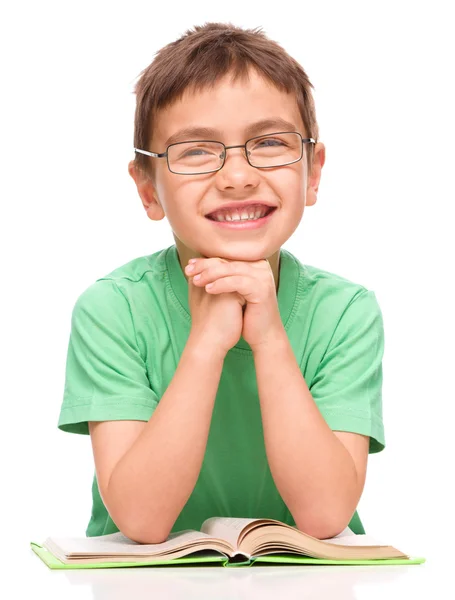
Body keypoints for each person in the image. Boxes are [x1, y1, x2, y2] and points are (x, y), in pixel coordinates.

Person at [58, 22, 385, 544]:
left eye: (271, 143)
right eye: (196, 151)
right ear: (148, 190)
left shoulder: (345, 311)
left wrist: (271, 339)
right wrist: (207, 343)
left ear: (313, 172)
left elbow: (325, 517)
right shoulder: (112, 308)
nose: (237, 176)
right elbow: (141, 522)